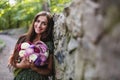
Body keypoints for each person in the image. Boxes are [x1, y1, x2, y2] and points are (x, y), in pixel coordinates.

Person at [8, 11, 55, 80]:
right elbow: (12, 61)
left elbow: (49, 71)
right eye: (37, 21)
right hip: (21, 77)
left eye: (44, 23)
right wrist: (21, 65)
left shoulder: (48, 44)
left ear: (48, 27)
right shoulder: (23, 39)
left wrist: (35, 68)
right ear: (34, 22)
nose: (39, 25)